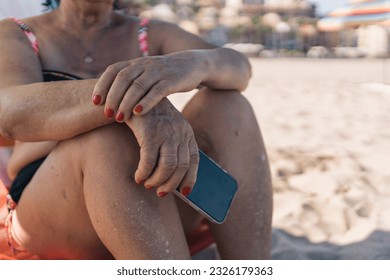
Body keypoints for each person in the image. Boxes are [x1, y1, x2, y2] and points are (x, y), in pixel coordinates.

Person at [0, 0, 273, 259]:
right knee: (108, 136)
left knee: (229, 106)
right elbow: (9, 111)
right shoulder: (19, 33)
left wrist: (193, 64)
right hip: (49, 197)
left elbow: (238, 67)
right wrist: (134, 105)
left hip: (148, 191)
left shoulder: (148, 32)